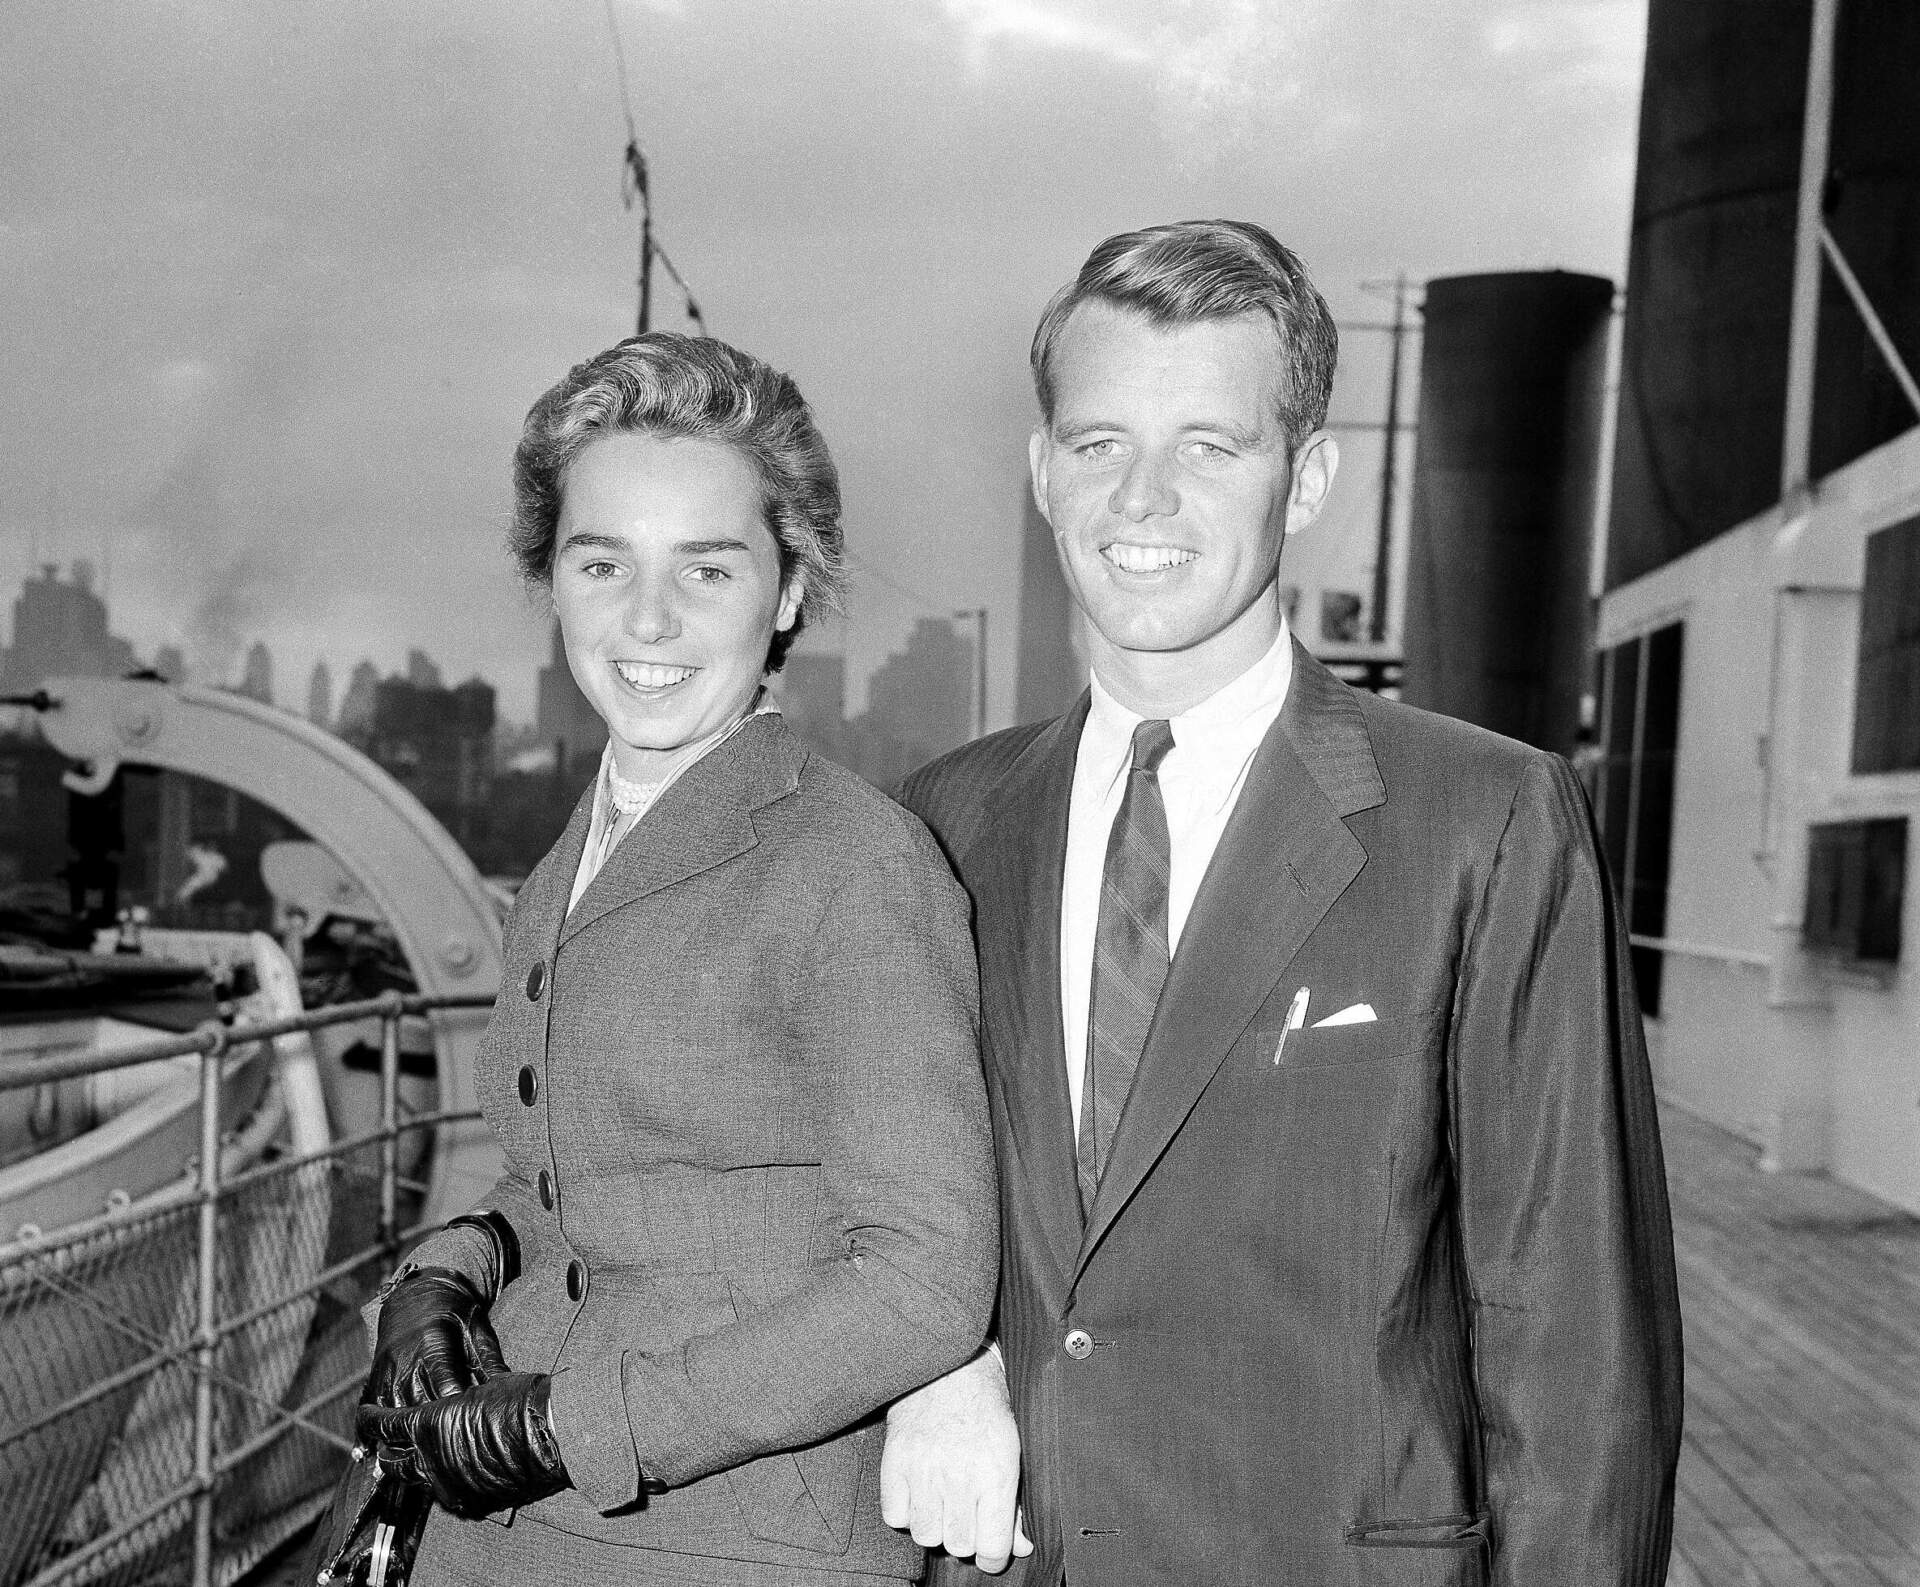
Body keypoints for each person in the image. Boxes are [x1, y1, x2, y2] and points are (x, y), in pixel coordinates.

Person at [881, 221, 1683, 1586]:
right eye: (1098, 443)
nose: (1143, 500)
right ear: (1041, 469)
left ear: (1304, 476)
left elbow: (1574, 1345)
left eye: (1211, 444)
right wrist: (931, 1367)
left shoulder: (1483, 819)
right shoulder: (944, 824)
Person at [356, 333, 998, 1587]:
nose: (646, 620)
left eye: (707, 569)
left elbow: (926, 1279)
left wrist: (567, 1427)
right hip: (516, 1536)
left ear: (790, 592)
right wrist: (443, 1275)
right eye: (603, 563)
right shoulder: (574, 858)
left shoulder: (853, 865)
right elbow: (576, 1180)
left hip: (731, 1545)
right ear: (552, 580)